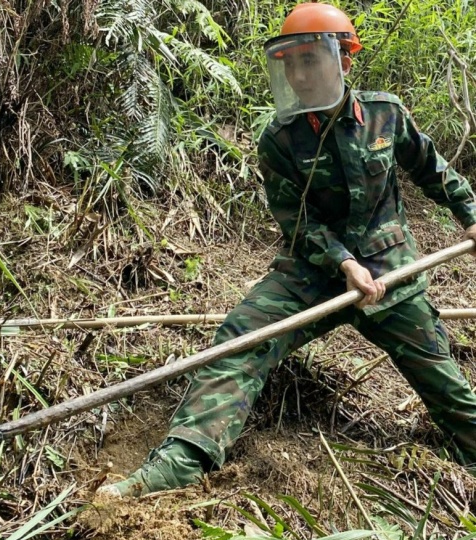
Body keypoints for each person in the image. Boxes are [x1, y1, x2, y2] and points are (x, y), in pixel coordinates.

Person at [98, 2, 476, 498]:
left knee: (453, 398)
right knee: (239, 340)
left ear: (343, 59)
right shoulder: (279, 139)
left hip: (391, 274)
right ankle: (181, 460)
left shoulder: (386, 114)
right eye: (291, 63)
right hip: (311, 274)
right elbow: (298, 221)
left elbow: (435, 172)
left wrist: (471, 217)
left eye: (311, 61)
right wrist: (343, 263)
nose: (299, 75)